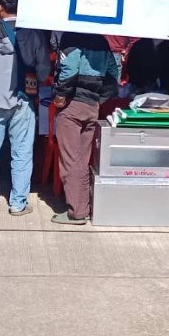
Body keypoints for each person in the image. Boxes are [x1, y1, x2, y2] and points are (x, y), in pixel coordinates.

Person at [0, 0, 51, 217]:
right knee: (22, 153)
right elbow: (44, 70)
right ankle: (17, 204)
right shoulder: (33, 34)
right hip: (23, 101)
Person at [51, 33, 120, 225]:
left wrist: (61, 94)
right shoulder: (102, 41)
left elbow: (70, 68)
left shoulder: (72, 37)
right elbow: (114, 74)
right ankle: (83, 206)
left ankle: (76, 212)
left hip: (72, 105)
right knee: (82, 159)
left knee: (70, 160)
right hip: (92, 106)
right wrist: (99, 98)